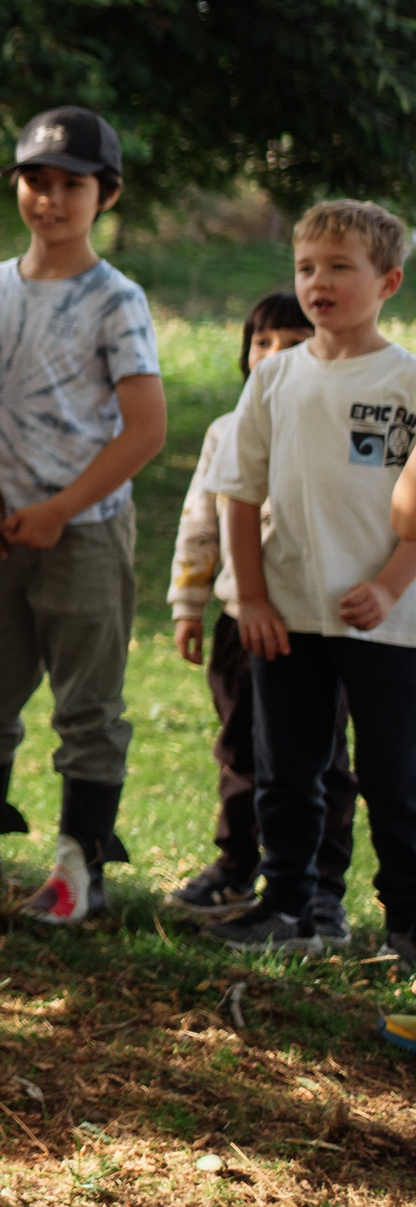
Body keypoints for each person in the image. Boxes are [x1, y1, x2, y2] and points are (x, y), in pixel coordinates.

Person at [0, 107, 166, 922]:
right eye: (35, 181)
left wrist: (61, 509)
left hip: (83, 531)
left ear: (105, 194)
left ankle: (81, 867)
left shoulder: (116, 298)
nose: (49, 199)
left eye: (71, 185)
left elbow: (146, 428)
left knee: (87, 705)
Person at [202, 202, 416, 964]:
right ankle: (290, 906)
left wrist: (388, 587)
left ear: (388, 281)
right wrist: (251, 598)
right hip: (286, 616)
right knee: (286, 773)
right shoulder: (274, 378)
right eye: (305, 267)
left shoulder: (406, 380)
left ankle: (406, 924)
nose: (317, 281)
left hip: (388, 622)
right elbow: (238, 493)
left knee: (395, 778)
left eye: (339, 267)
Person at [163, 290, 358, 937]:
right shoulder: (226, 430)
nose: (275, 353)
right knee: (242, 744)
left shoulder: (335, 422)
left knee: (321, 758)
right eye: (263, 341)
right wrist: (189, 604)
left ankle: (321, 888)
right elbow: (200, 522)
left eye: (294, 341)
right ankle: (237, 863)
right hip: (237, 620)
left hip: (313, 620)